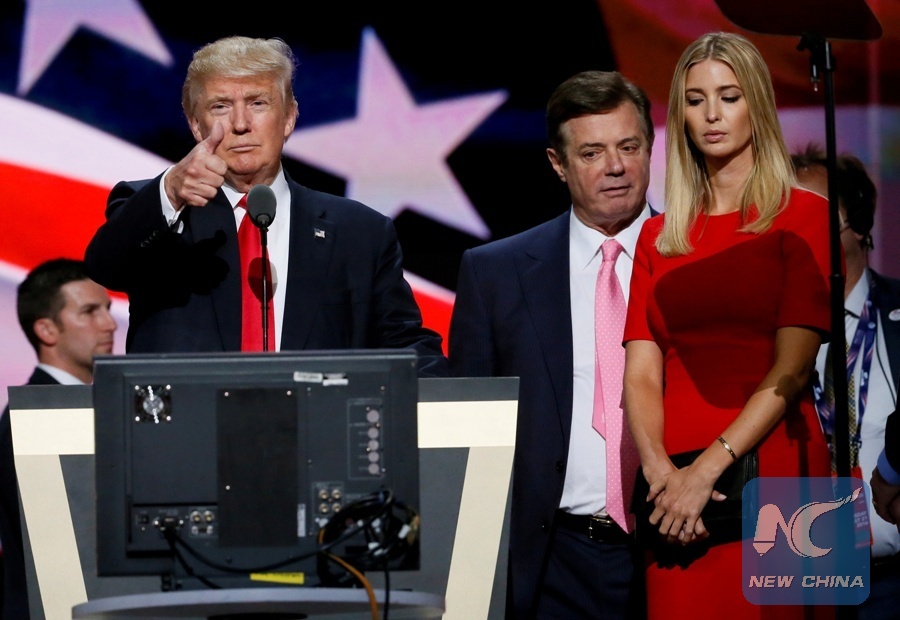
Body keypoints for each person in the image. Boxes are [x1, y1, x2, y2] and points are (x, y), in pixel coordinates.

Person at [83, 36, 447, 376]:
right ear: (196, 125)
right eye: (220, 106)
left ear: (288, 118)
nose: (241, 124)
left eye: (258, 103)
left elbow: (404, 345)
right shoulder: (160, 209)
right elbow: (106, 265)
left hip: (316, 422)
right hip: (186, 421)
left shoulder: (359, 232)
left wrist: (460, 396)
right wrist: (172, 191)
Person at [623, 32, 833, 618]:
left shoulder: (805, 215)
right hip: (674, 486)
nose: (712, 114)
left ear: (756, 104)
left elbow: (794, 368)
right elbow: (640, 373)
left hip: (786, 469)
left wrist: (708, 470)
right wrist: (662, 475)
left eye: (729, 97)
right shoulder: (657, 236)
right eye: (695, 100)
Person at [449, 70, 654, 618]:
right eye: (591, 153)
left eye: (628, 147)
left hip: (675, 549)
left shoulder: (695, 257)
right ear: (557, 164)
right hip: (550, 562)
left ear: (650, 148)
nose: (615, 166)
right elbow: (470, 437)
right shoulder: (496, 274)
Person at [792, 145, 900, 618]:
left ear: (856, 223)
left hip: (891, 583)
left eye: (810, 214)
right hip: (797, 577)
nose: (795, 230)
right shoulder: (763, 335)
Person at [1, 258, 117, 620]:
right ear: (47, 330)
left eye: (107, 308)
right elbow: (62, 547)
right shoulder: (35, 416)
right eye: (90, 312)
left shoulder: (64, 408)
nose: (110, 323)